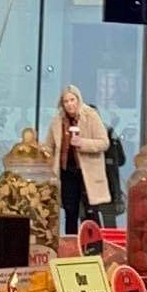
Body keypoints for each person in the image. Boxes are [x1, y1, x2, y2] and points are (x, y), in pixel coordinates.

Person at [54, 86, 113, 232]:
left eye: (72, 100)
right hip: (67, 172)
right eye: (66, 101)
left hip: (87, 173)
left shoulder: (90, 115)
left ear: (78, 99)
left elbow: (104, 142)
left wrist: (83, 143)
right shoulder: (58, 120)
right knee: (70, 212)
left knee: (91, 212)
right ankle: (71, 243)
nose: (69, 104)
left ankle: (94, 243)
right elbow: (50, 145)